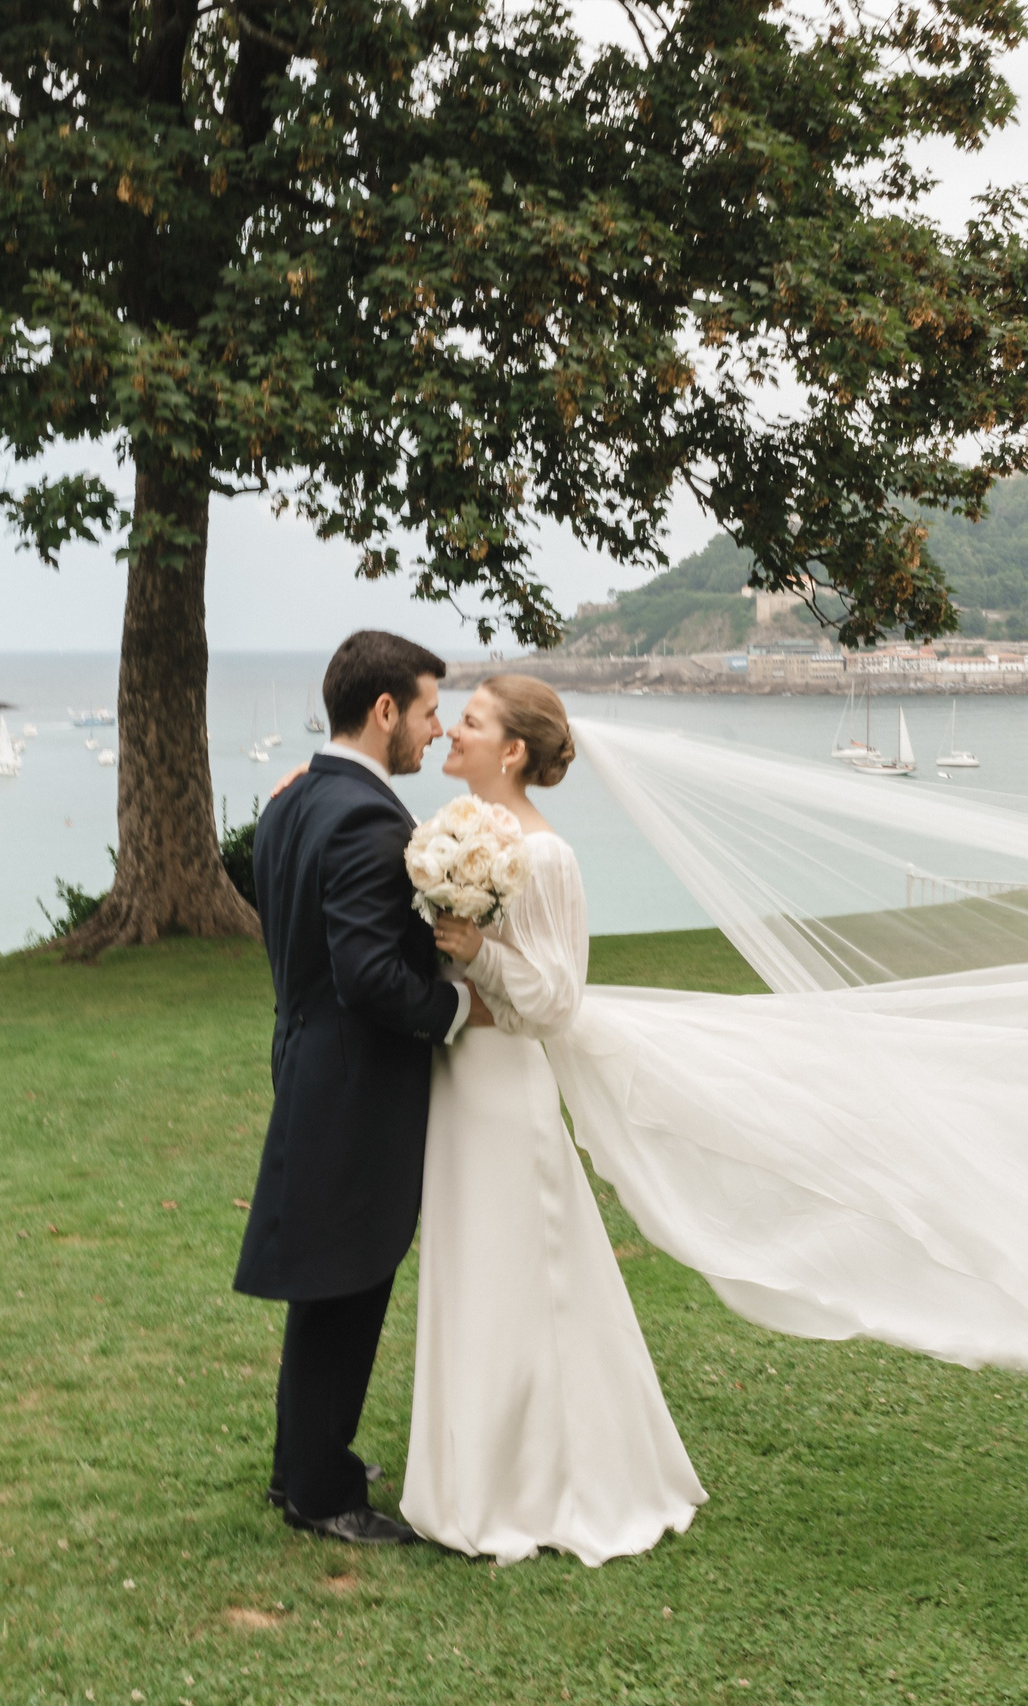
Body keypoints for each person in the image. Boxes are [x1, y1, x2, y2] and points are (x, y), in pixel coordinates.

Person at [411, 676, 706, 1563]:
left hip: (508, 1084)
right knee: (471, 1267)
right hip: (456, 1077)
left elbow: (558, 997)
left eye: (470, 721)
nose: (452, 731)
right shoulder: (450, 839)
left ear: (512, 752)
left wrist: (479, 953)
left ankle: (546, 1481)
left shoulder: (545, 857)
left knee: (524, 1273)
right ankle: (470, 1471)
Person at [234, 629, 488, 1546]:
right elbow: (370, 977)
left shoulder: (295, 801)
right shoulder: (366, 819)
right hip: (351, 1081)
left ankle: (299, 1459)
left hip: (308, 1061)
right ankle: (320, 1493)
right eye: (426, 711)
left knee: (329, 1281)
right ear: (384, 712)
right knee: (348, 1279)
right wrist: (455, 1008)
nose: (434, 729)